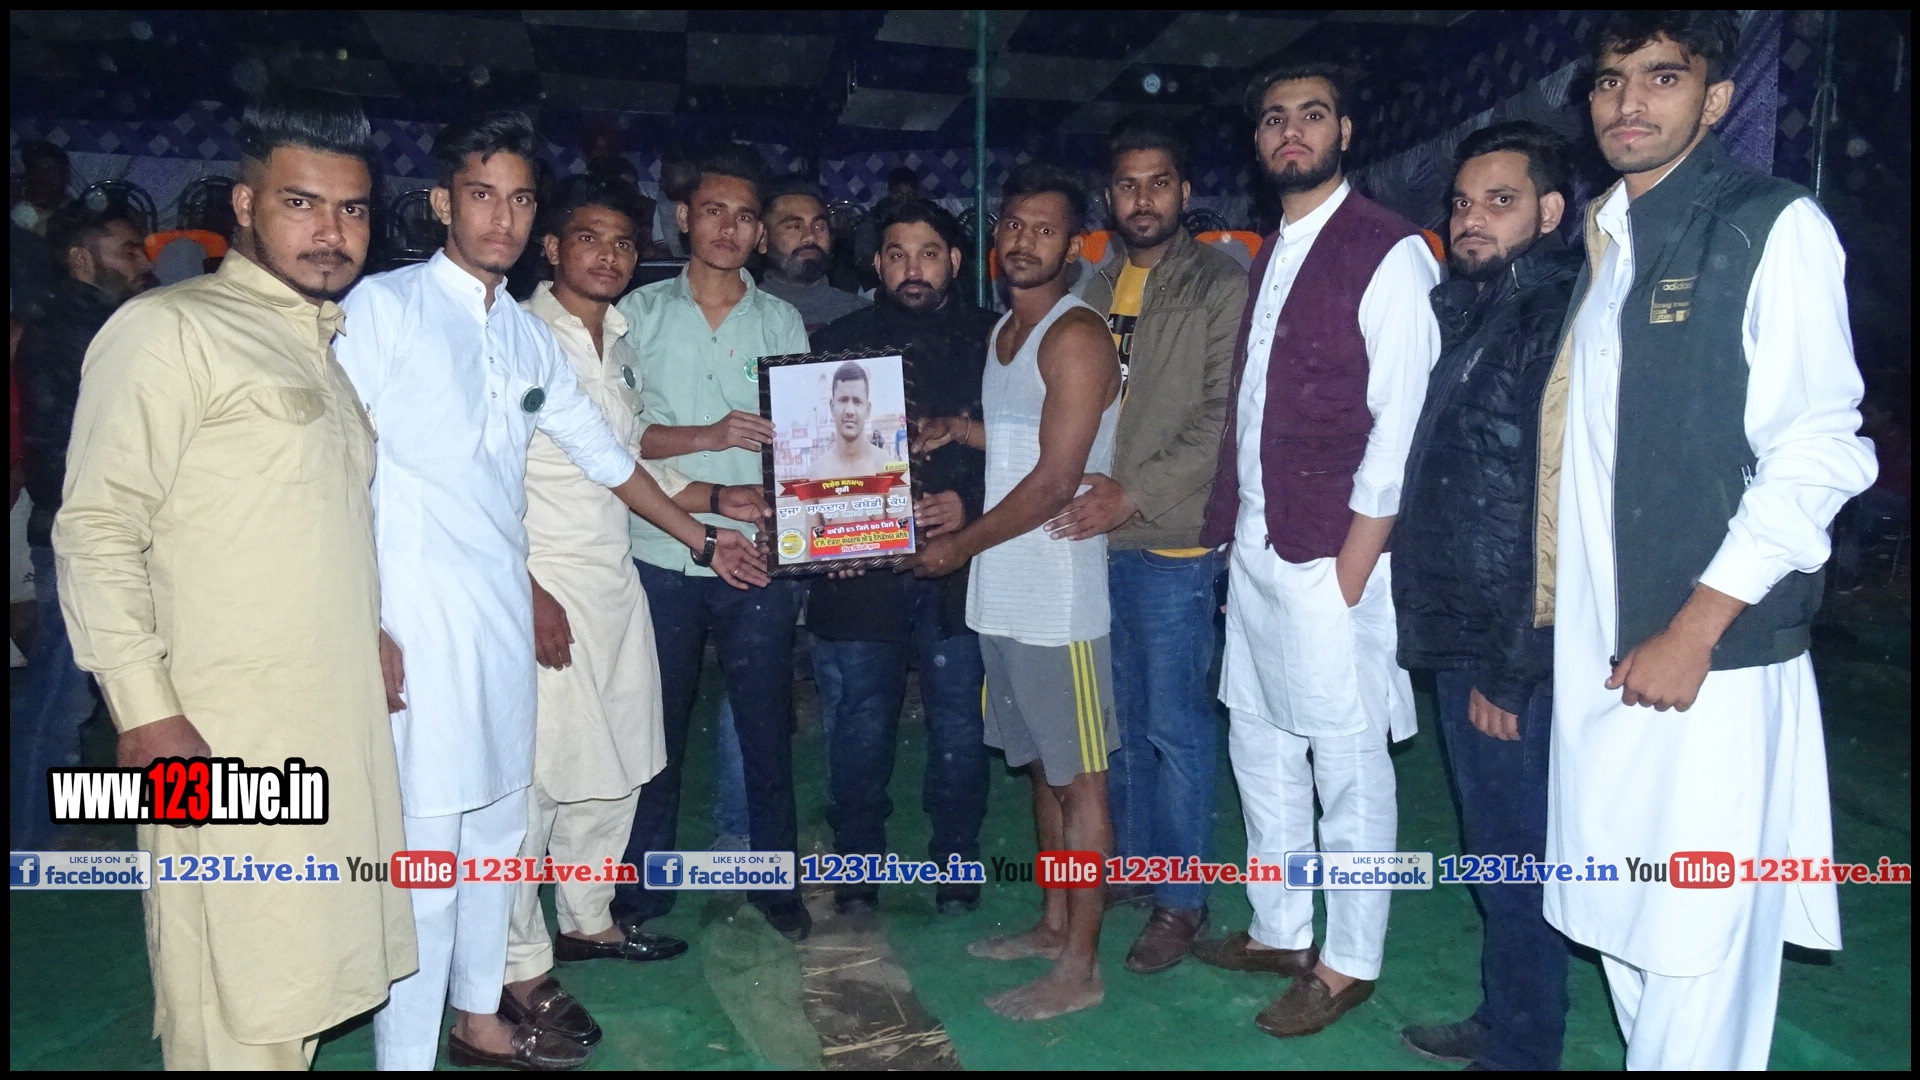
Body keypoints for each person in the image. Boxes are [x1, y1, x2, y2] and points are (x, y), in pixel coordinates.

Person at [336, 111, 766, 1072]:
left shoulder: (524, 343)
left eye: (519, 199)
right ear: (443, 202)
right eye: (481, 195)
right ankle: (415, 1048)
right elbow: (337, 470)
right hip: (418, 619)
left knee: (499, 826)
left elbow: (611, 459)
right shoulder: (385, 309)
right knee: (430, 857)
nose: (502, 218)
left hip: (499, 618)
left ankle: (483, 1018)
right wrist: (366, 620)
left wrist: (704, 535)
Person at [1537, 13, 1875, 1069]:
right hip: (1599, 647)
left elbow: (1818, 451)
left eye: (1662, 77)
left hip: (1708, 652)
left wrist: (1695, 627)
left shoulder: (1770, 224)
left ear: (1717, 99)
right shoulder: (1606, 240)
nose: (1629, 102)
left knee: (1696, 930)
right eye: (1610, 81)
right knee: (1620, 915)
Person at [53, 90, 416, 1070]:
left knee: (296, 977)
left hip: (324, 719)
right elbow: (96, 528)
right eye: (302, 203)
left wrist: (368, 629)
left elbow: (301, 524)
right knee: (230, 989)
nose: (332, 232)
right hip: (213, 732)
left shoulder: (318, 346)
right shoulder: (169, 330)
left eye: (351, 209)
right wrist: (144, 714)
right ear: (246, 206)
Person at [1192, 62, 1441, 1039]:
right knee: (1258, 740)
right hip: (1260, 543)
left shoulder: (1390, 250)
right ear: (1258, 142)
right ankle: (1281, 927)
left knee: (1347, 758)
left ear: (1345, 132)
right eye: (1273, 120)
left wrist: (1352, 568)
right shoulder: (1272, 250)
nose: (1291, 132)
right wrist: (1236, 539)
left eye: (1311, 115)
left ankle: (1350, 961)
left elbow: (1400, 422)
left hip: (1336, 555)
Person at [501, 174, 766, 1049]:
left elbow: (623, 463)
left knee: (617, 758)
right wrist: (525, 590)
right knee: (538, 778)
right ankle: (517, 964)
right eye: (589, 238)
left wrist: (714, 515)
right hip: (542, 580)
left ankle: (590, 920)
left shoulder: (615, 340)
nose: (608, 255)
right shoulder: (513, 338)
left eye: (621, 241)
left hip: (613, 574)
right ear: (552, 248)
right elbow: (479, 483)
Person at [914, 164, 1122, 1021]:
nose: (1024, 240)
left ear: (1074, 245)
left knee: (1082, 783)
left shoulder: (1076, 335)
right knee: (1041, 768)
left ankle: (1082, 965)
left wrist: (957, 547)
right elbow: (1019, 437)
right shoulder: (1008, 331)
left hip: (1058, 600)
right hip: (1004, 594)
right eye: (1013, 225)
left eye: (1045, 228)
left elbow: (1055, 481)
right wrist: (955, 430)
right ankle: (1052, 922)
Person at [1392, 120, 1579, 1071]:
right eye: (1462, 203)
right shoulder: (1480, 312)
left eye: (1500, 202)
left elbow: (1551, 508)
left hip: (1508, 642)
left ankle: (1525, 1046)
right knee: (1498, 849)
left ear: (1550, 212)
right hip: (1470, 627)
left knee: (1515, 855)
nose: (1471, 219)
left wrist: (1513, 668)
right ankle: (1509, 1018)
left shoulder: (1552, 318)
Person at [1046, 118, 1246, 972]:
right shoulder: (1089, 288)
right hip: (1093, 536)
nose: (1142, 198)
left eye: (1158, 182)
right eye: (1127, 184)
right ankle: (1131, 865)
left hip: (1169, 538)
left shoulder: (1219, 284)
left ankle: (1182, 899)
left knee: (1174, 726)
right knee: (1115, 722)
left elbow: (1222, 417)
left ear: (1184, 193)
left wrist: (1133, 491)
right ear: (1109, 197)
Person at [609, 146, 815, 943]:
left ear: (760, 234)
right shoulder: (637, 313)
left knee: (765, 727)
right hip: (660, 549)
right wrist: (709, 435)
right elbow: (616, 440)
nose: (728, 229)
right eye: (713, 212)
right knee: (653, 728)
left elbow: (805, 444)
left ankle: (776, 881)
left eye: (744, 217)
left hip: (756, 553)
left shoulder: (781, 321)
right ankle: (641, 887)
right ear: (684, 219)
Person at [807, 198, 997, 916]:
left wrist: (968, 504)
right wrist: (828, 532)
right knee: (859, 726)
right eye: (895, 254)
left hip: (962, 568)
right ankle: (857, 866)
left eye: (928, 253)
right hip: (861, 576)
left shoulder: (997, 340)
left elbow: (1029, 448)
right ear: (876, 263)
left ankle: (956, 861)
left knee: (960, 728)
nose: (911, 268)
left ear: (955, 260)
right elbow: (809, 455)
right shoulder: (838, 344)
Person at [12, 203, 155, 850]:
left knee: (80, 686)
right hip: (83, 537)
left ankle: (49, 824)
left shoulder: (100, 324)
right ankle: (33, 835)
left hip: (95, 531)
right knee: (62, 690)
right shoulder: (75, 331)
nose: (142, 262)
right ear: (80, 258)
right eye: (127, 250)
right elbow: (66, 452)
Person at [756, 179, 869, 334]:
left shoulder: (861, 315)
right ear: (762, 239)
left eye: (819, 226)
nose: (810, 237)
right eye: (794, 227)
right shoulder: (741, 316)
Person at [11, 140, 71, 235]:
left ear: (65, 175)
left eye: (51, 169)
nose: (43, 176)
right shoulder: (21, 216)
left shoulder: (78, 211)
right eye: (37, 169)